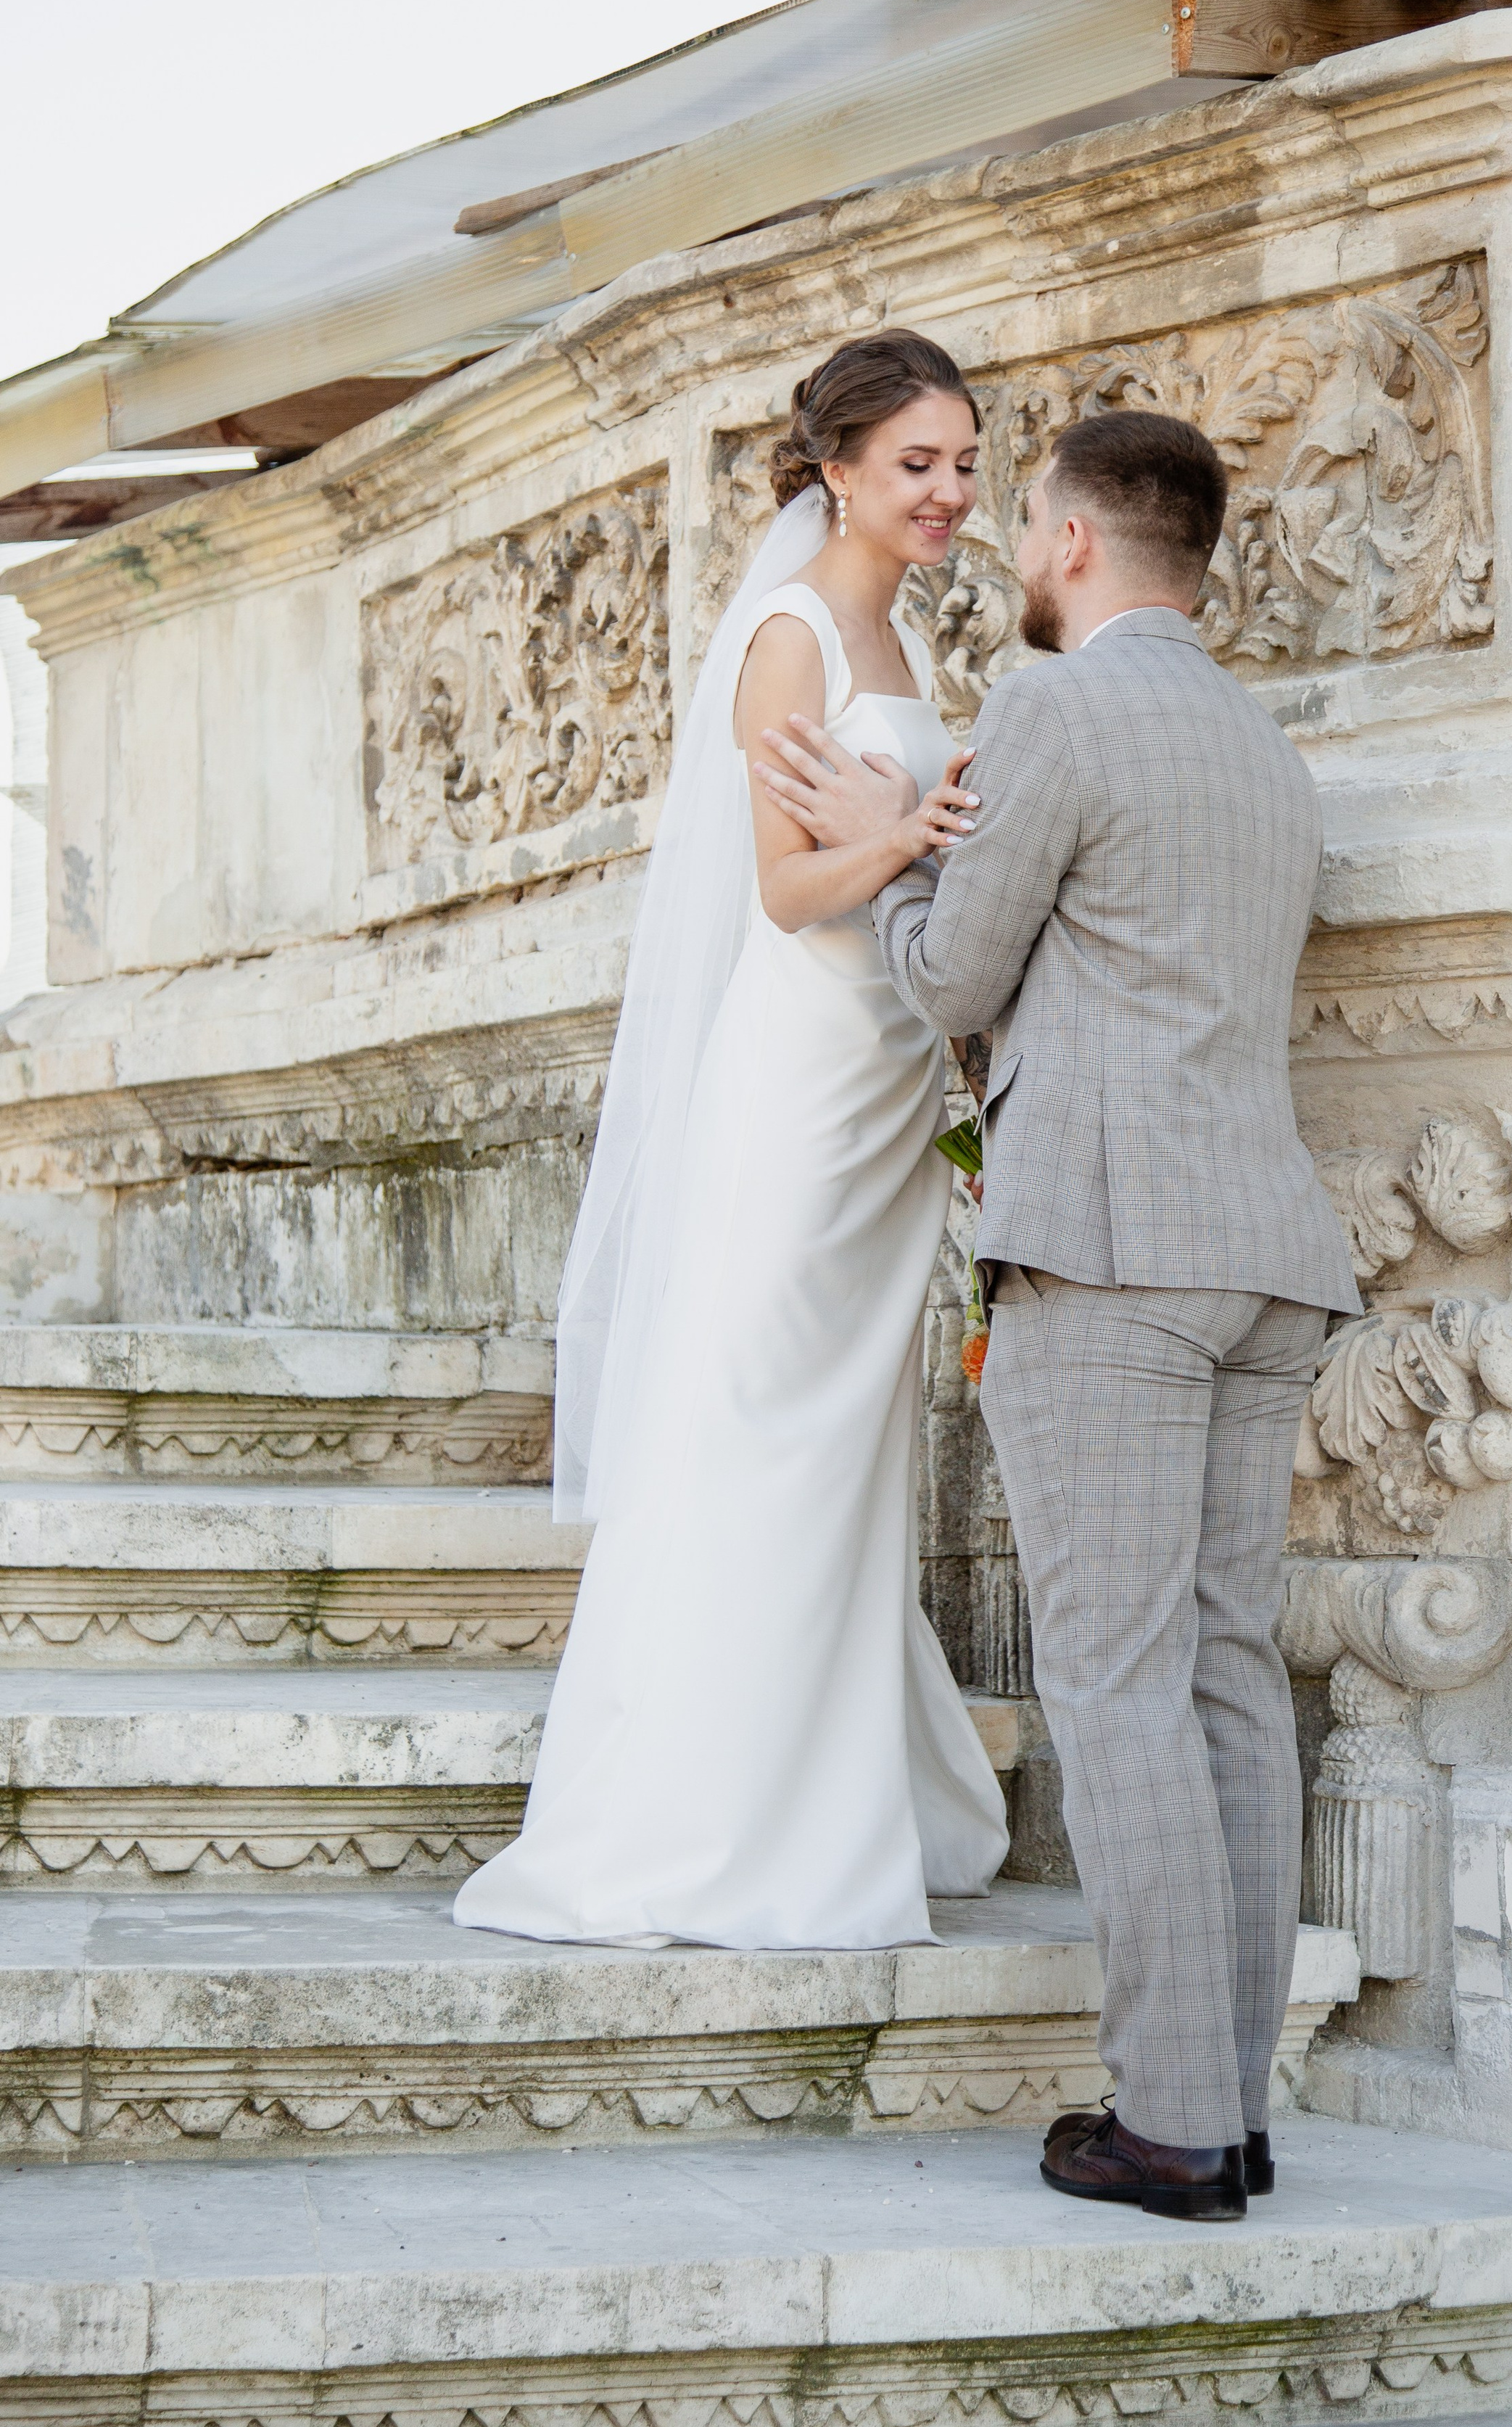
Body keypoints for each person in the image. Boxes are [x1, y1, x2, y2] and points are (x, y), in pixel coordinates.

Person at [755, 408, 1360, 2214]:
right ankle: (1228, 2106)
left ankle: (1170, 2120)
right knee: (1227, 1677)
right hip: (1265, 1253)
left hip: (1106, 1251)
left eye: (1023, 518)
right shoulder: (1263, 744)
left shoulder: (1052, 707)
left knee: (1111, 1680)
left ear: (1080, 541)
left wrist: (888, 837)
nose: (1011, 548)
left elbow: (949, 969)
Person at [454, 331, 1009, 1953]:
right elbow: (785, 887)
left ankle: (835, 1790)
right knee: (755, 1418)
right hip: (799, 1083)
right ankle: (701, 1821)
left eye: (967, 463)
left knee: (839, 1444)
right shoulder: (788, 635)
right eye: (917, 463)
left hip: (881, 1093)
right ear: (835, 467)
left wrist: (929, 826)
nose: (949, 492)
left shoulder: (892, 633)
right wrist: (914, 833)